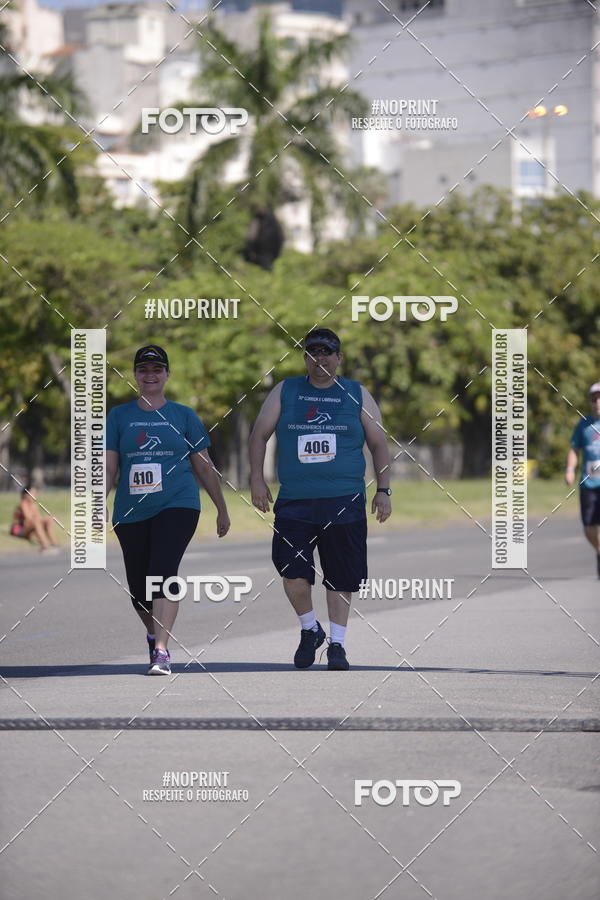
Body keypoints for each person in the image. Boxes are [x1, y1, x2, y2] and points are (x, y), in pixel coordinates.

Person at [249, 327, 392, 671]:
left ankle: (337, 645)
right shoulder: (286, 390)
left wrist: (383, 490)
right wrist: (256, 479)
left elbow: (379, 443)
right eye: (313, 353)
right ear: (305, 358)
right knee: (291, 569)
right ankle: (310, 629)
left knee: (341, 575)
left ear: (339, 358)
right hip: (295, 500)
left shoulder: (356, 393)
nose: (320, 359)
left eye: (327, 352)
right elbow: (258, 435)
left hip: (344, 500)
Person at [106, 345, 230, 675]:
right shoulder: (118, 417)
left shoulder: (184, 416)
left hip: (178, 503)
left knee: (163, 571)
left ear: (167, 375)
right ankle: (153, 633)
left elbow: (204, 466)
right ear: (135, 375)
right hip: (131, 510)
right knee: (139, 589)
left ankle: (161, 650)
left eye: (157, 369)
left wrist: (221, 508)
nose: (150, 375)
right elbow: (108, 467)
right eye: (144, 370)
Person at [566, 382, 600, 578]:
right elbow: (574, 449)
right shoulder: (584, 425)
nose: (598, 402)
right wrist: (570, 469)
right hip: (589, 483)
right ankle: (599, 550)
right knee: (588, 527)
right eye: (594, 398)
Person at [11, 486, 59, 554]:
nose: (34, 495)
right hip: (21, 530)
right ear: (26, 495)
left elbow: (39, 517)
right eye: (32, 493)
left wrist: (49, 519)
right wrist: (39, 521)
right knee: (36, 522)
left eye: (35, 493)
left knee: (49, 519)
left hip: (32, 527)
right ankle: (45, 546)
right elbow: (28, 519)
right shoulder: (23, 504)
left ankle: (54, 544)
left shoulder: (34, 505)